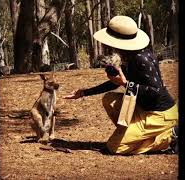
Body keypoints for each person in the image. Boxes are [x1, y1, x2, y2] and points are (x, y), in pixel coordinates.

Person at [64, 16, 178, 155]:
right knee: (109, 99)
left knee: (115, 147)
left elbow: (156, 91)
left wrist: (125, 83)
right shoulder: (130, 56)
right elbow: (113, 84)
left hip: (160, 114)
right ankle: (132, 135)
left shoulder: (142, 59)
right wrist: (84, 93)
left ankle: (171, 137)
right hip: (143, 108)